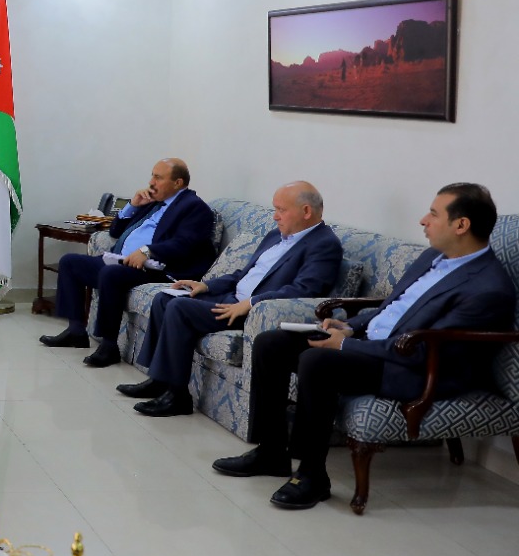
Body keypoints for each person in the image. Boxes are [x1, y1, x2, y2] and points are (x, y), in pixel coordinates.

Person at [212, 183, 514, 509]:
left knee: (317, 361)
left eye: (434, 214)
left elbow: (423, 351)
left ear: (461, 225)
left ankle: (312, 476)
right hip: (380, 345)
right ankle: (271, 452)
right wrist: (351, 327)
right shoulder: (433, 257)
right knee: (272, 343)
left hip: (415, 367)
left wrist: (345, 346)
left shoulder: (487, 287)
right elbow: (394, 307)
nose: (423, 220)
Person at [120, 182, 343, 417]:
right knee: (164, 298)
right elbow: (242, 274)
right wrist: (206, 285)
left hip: (253, 314)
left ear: (306, 211)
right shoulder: (276, 235)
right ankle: (159, 380)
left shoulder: (324, 245)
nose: (275, 216)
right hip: (231, 297)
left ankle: (178, 397)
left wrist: (251, 303)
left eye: (281, 210)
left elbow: (304, 290)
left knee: (179, 307)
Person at [40, 158, 216, 367]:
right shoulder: (153, 202)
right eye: (152, 176)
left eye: (158, 178)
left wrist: (147, 251)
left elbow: (185, 244)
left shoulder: (194, 208)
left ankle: (109, 346)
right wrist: (132, 206)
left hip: (157, 269)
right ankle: (76, 331)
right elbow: (115, 231)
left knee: (111, 274)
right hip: (123, 261)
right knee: (70, 262)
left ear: (178, 183)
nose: (151, 182)